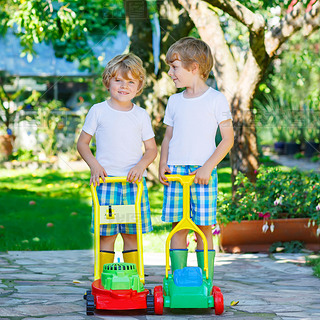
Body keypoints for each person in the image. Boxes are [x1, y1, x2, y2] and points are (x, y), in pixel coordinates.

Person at [158, 37, 234, 279]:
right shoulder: (174, 101)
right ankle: (178, 280)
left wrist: (207, 168)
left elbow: (227, 139)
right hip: (176, 173)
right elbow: (168, 137)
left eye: (175, 67)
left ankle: (206, 281)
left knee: (203, 228)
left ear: (194, 68)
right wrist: (162, 164)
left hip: (202, 174)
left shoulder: (216, 99)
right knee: (177, 227)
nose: (170, 73)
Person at [77, 53, 157, 274]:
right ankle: (106, 280)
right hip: (106, 184)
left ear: (139, 86)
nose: (124, 86)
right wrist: (94, 165)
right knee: (107, 235)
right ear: (108, 81)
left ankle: (133, 279)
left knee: (132, 236)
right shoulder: (98, 111)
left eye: (131, 81)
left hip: (133, 186)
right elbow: (83, 143)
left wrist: (141, 166)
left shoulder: (141, 115)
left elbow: (151, 150)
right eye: (118, 80)